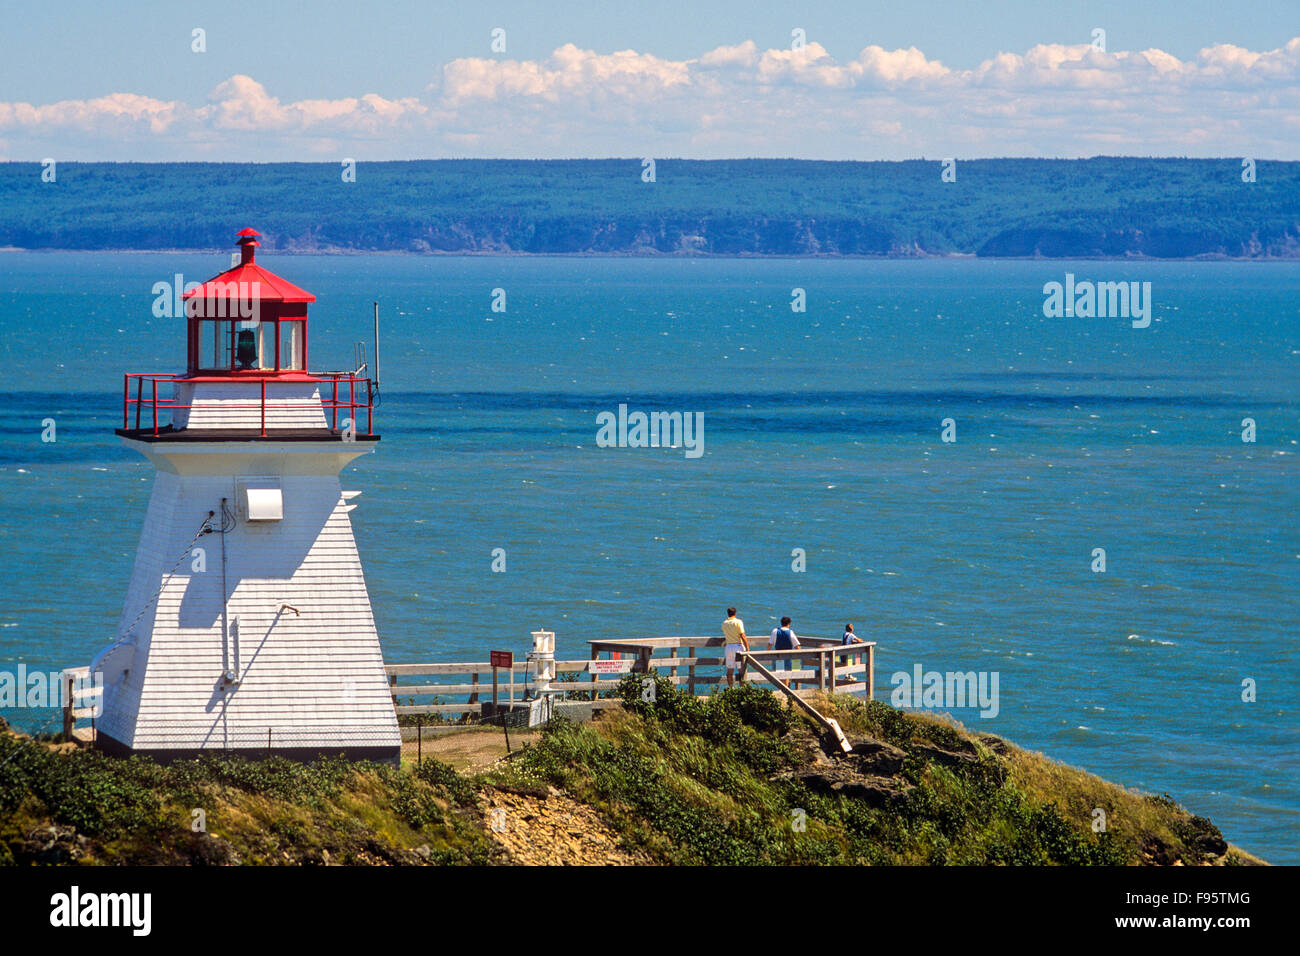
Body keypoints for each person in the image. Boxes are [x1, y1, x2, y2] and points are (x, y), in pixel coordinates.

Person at [721, 607, 749, 688]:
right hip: (738, 647)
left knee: (730, 670)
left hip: (729, 646)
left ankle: (731, 688)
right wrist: (747, 647)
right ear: (735, 613)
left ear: (728, 613)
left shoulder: (724, 623)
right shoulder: (738, 622)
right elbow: (742, 635)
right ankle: (742, 689)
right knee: (741, 670)